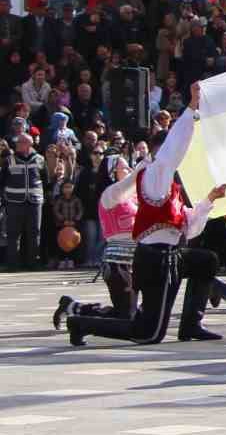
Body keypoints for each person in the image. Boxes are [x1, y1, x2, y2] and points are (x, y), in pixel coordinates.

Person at [64, 86, 226, 346]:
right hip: (154, 260)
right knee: (148, 333)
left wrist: (209, 200)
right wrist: (191, 110)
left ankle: (191, 324)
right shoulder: (154, 174)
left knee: (206, 261)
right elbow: (173, 149)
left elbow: (189, 227)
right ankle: (80, 323)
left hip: (170, 254)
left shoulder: (169, 187)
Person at [53, 153, 137, 329]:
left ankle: (73, 307)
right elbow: (137, 177)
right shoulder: (110, 194)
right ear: (113, 172)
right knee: (127, 317)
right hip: (117, 264)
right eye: (124, 167)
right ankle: (79, 323)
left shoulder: (132, 197)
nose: (129, 169)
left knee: (130, 314)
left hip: (136, 262)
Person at [3, 131, 46, 268]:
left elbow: (45, 179)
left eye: (20, 142)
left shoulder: (40, 159)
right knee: (13, 233)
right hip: (14, 201)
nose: (16, 144)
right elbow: (2, 180)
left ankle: (34, 262)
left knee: (34, 232)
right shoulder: (9, 160)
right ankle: (13, 264)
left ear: (28, 144)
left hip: (35, 201)